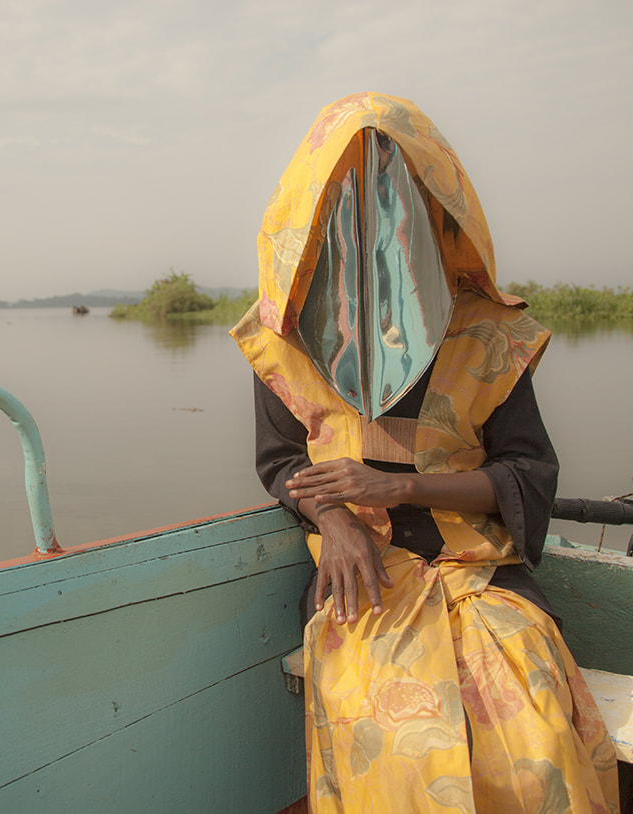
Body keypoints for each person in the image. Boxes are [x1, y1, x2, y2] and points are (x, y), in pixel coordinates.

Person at [231, 92, 618, 813]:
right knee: (395, 739)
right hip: (366, 575)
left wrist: (399, 489)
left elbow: (527, 475)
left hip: (479, 571)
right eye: (343, 205)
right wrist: (340, 523)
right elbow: (282, 464)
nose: (372, 229)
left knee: (533, 739)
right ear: (307, 218)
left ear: (439, 212)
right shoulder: (281, 341)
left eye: (397, 200)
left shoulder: (488, 336)